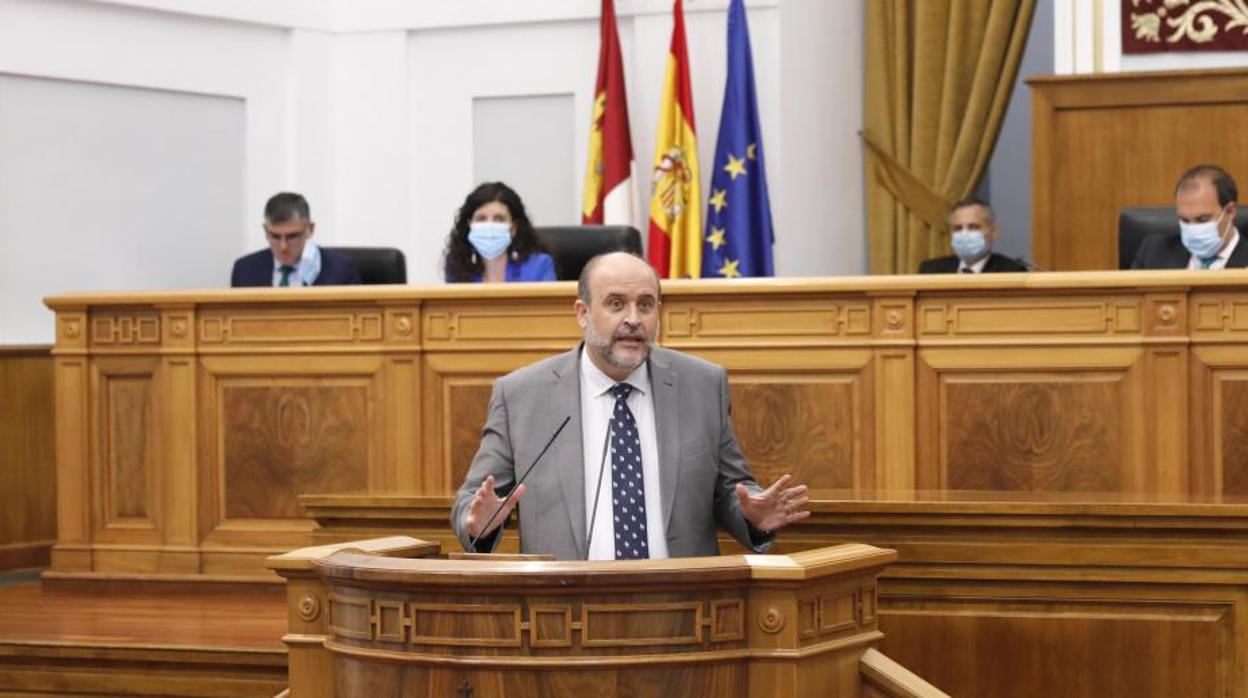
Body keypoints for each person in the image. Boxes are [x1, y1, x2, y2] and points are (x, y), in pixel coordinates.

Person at [450, 251, 810, 561]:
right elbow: (471, 502)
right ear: (582, 313)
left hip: (682, 609)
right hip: (562, 611)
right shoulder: (522, 395)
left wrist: (752, 517)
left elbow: (732, 491)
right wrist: (476, 523)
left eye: (646, 305)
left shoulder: (702, 385)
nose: (634, 320)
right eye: (616, 303)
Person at [231, 192, 361, 287]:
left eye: (292, 236)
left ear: (310, 229)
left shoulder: (341, 270)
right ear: (266, 231)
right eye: (275, 236)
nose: (283, 247)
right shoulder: (244, 270)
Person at [1132, 164, 1248, 270]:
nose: (1193, 229)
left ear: (1230, 212)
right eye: (1185, 220)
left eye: (1202, 219)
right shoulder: (1154, 252)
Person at [443, 182, 556, 283]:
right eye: (481, 218)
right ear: (470, 225)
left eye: (499, 219)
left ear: (513, 227)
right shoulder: (457, 267)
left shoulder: (540, 266)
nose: (490, 226)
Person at [918, 197, 1027, 274]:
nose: (964, 234)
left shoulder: (1011, 271)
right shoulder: (931, 270)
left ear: (993, 232)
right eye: (958, 228)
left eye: (973, 227)